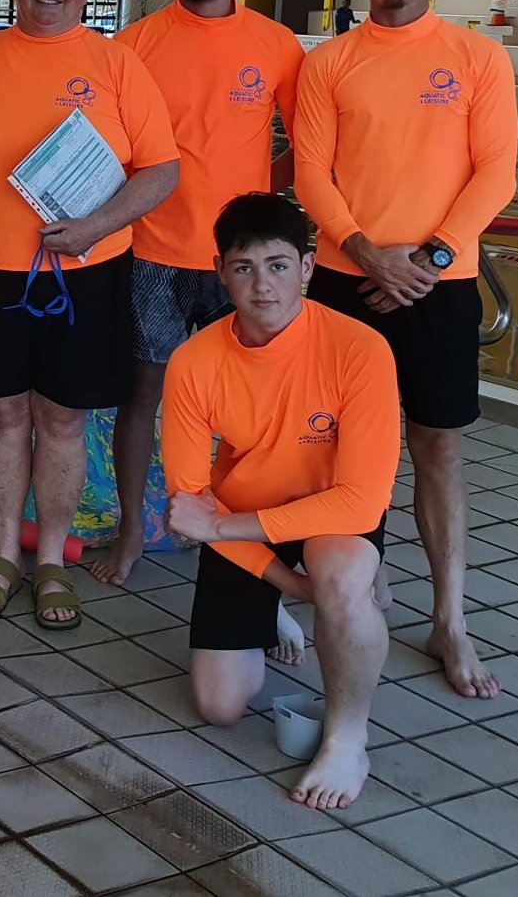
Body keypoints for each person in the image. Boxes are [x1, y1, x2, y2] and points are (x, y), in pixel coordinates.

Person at [294, 0, 517, 700]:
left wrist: (427, 258)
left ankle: (450, 619)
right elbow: (309, 174)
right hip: (349, 281)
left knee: (438, 449)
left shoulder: (476, 58)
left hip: (440, 283)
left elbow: (496, 171)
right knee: (334, 444)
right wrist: (365, 254)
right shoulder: (330, 62)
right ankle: (356, 587)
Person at [0, 0, 179, 630]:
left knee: (62, 418)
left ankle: (50, 556)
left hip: (85, 270)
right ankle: (4, 552)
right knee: (3, 412)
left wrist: (95, 226)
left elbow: (162, 169)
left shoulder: (114, 64)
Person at [97, 0, 305, 600]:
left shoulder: (275, 45)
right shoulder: (135, 46)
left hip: (237, 264)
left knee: (251, 411)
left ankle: (245, 541)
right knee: (142, 397)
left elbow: (305, 150)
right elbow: (110, 151)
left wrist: (257, 199)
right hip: (153, 250)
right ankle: (133, 529)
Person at [161, 193, 400, 812]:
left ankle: (349, 739)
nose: (262, 285)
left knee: (344, 580)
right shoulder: (193, 362)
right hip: (242, 527)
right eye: (243, 268)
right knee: (220, 708)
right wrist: (287, 587)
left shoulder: (360, 349)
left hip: (325, 516)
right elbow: (190, 503)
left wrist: (223, 525)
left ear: (309, 268)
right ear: (219, 271)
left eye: (277, 265)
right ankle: (277, 608)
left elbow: (362, 501)